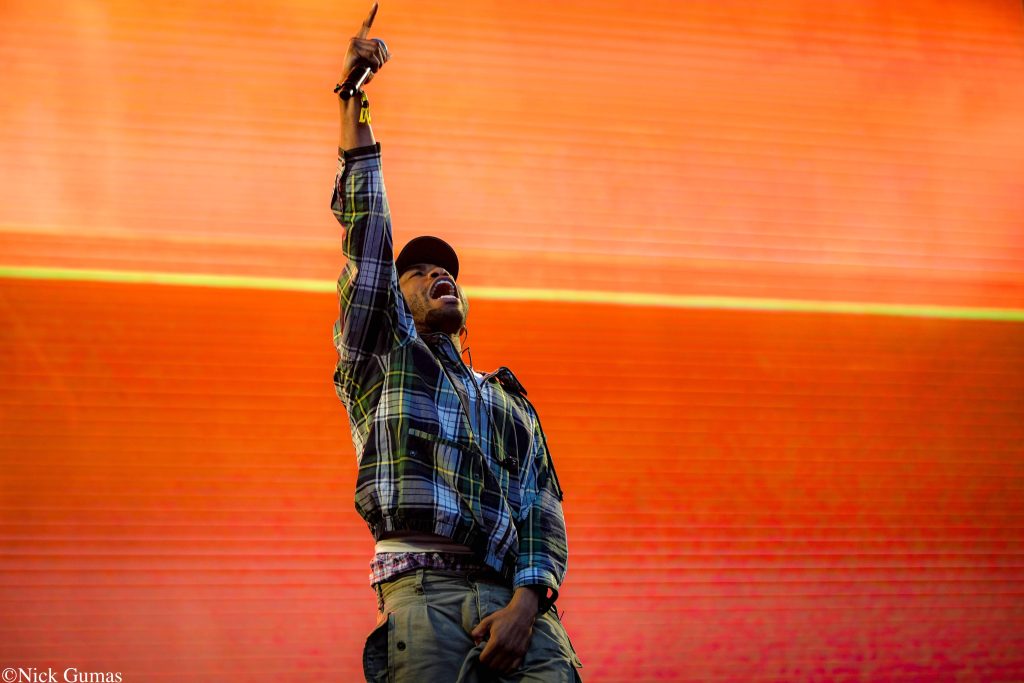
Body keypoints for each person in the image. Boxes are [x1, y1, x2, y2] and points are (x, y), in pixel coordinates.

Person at [330, 6, 583, 683]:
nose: (438, 274)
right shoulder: (385, 357)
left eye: (447, 272)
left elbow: (541, 507)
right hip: (425, 595)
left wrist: (527, 604)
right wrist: (354, 103)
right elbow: (369, 243)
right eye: (418, 272)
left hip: (523, 612)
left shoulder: (510, 401)